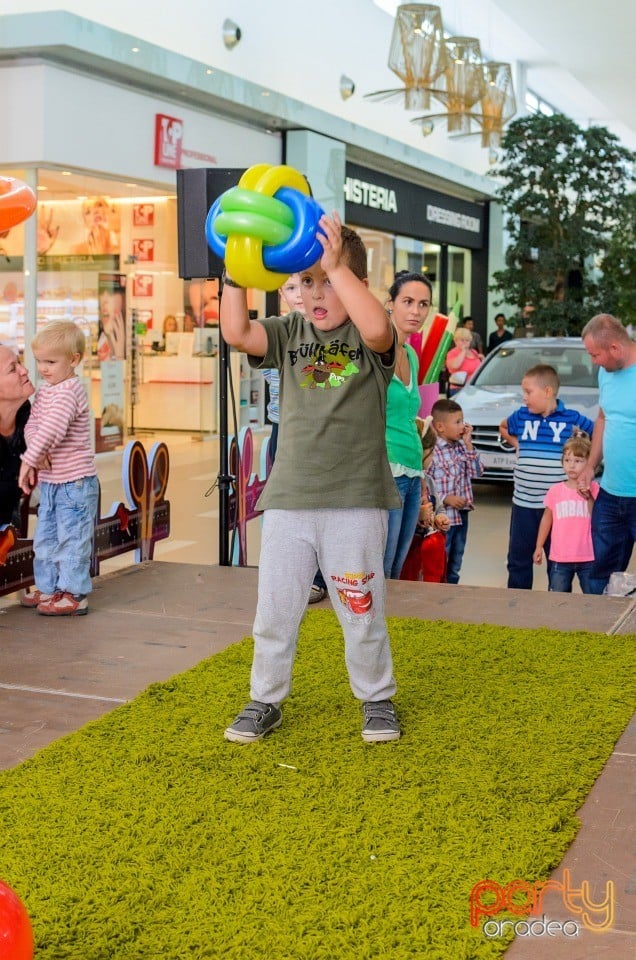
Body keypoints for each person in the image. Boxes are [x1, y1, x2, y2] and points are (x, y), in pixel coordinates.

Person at [220, 212, 402, 745]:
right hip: (289, 502)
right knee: (275, 608)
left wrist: (336, 263)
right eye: (303, 283)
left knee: (360, 609)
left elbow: (375, 327)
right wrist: (236, 272)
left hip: (355, 502)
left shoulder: (373, 341)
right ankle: (264, 698)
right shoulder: (288, 332)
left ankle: (377, 698)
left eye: (325, 281)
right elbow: (236, 331)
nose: (313, 294)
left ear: (356, 283)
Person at [18, 322, 99, 616]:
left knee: (72, 539)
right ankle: (49, 587)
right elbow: (33, 425)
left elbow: (52, 428)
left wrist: (29, 460)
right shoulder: (45, 391)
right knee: (46, 538)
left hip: (74, 484)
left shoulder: (69, 391)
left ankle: (74, 593)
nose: (43, 368)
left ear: (74, 360)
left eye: (51, 362)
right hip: (53, 483)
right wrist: (37, 455)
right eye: (39, 361)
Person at [500, 364, 594, 590]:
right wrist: (516, 444)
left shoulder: (572, 419)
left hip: (557, 508)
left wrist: (588, 466)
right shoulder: (521, 416)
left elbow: (596, 437)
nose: (524, 398)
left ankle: (555, 603)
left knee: (557, 560)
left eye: (528, 392)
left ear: (548, 391)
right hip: (523, 503)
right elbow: (503, 426)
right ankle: (517, 603)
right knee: (518, 559)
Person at [579, 313, 636, 594]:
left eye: (595, 354)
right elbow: (603, 418)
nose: (594, 362)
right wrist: (591, 464)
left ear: (615, 348)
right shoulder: (607, 372)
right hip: (611, 495)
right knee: (599, 576)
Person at [383, 270, 433, 579]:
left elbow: (406, 415)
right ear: (390, 304)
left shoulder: (411, 355)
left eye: (424, 304)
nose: (416, 311)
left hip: (413, 471)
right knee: (381, 567)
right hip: (386, 470)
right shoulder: (373, 351)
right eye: (408, 301)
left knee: (397, 566)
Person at [533, 433, 598, 593]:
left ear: (589, 463)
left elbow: (598, 517)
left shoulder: (595, 489)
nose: (572, 466)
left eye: (578, 461)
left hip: (589, 556)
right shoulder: (555, 491)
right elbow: (547, 519)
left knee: (594, 599)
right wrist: (539, 546)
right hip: (560, 557)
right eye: (567, 460)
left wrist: (588, 496)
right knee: (557, 600)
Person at [429, 399, 483, 584]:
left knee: (456, 561)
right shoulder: (433, 451)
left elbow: (477, 472)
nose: (463, 426)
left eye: (463, 421)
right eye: (457, 422)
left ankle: (451, 591)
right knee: (440, 561)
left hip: (461, 517)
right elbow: (426, 484)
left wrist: (469, 445)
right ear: (440, 426)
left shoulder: (462, 448)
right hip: (443, 519)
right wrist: (445, 499)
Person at [400, 417, 450, 582]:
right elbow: (395, 519)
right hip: (408, 555)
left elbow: (439, 507)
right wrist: (417, 515)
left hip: (427, 559)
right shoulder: (403, 483)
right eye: (432, 451)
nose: (434, 456)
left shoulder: (429, 481)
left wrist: (440, 518)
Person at [263, 274, 304, 465]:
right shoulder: (276, 329)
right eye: (291, 288)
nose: (299, 295)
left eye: (304, 284)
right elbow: (268, 374)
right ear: (281, 292)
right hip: (282, 424)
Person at [0, 345, 35, 528]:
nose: (24, 370)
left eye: (19, 362)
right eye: (12, 369)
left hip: (10, 531)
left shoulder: (25, 412)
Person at [445, 328, 482, 397]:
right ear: (455, 341)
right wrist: (463, 351)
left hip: (474, 388)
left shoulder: (474, 352)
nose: (465, 342)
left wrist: (483, 359)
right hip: (458, 389)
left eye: (467, 340)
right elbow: (455, 366)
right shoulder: (452, 353)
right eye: (462, 340)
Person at [98, 289, 126, 360]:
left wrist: (120, 355)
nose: (104, 301)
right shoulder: (101, 341)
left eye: (111, 294)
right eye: (101, 293)